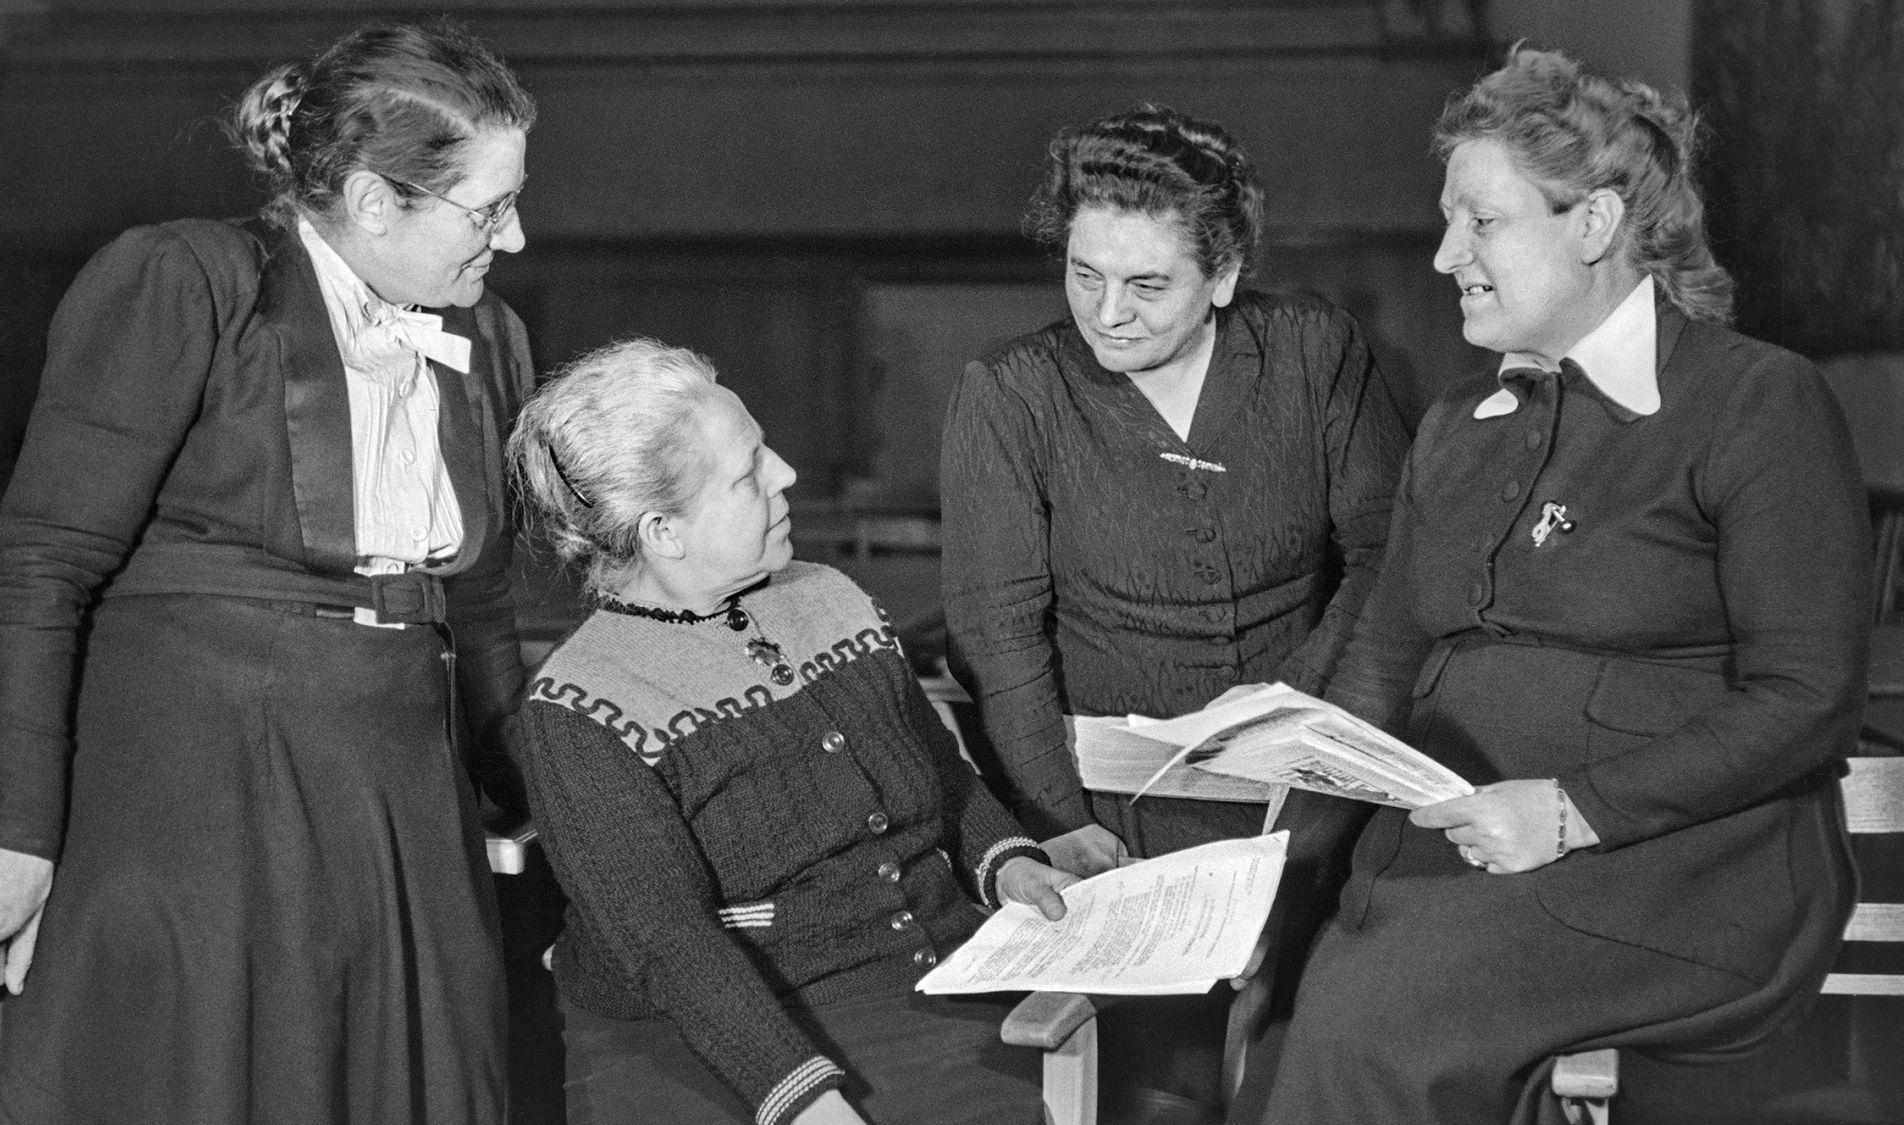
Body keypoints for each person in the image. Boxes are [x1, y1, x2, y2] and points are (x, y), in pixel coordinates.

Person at [0, 20, 537, 1123]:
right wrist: (17, 835)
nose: (517, 236)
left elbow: (480, 607)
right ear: (369, 200)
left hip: (402, 803)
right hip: (205, 804)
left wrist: (532, 798)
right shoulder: (189, 281)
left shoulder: (485, 336)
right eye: (489, 207)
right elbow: (38, 570)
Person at [1261, 47, 1869, 1124]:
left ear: (1590, 227)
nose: (1446, 254)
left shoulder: (1754, 403)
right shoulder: (1457, 424)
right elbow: (1382, 662)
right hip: (1443, 863)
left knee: (1370, 1026)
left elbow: (1805, 699)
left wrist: (1574, 811)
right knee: (1261, 998)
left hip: (1674, 875)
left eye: (1480, 221)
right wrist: (1280, 822)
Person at [940, 104, 1410, 1115]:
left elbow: (1387, 557)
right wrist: (1058, 825)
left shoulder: (1308, 351)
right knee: (1164, 1093)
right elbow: (998, 639)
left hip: (1317, 797)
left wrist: (1289, 715)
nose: (1105, 311)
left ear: (1224, 277)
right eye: (1082, 274)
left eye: (1146, 285)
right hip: (1119, 822)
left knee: (1329, 1068)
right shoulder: (1012, 394)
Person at [507, 338, 1079, 1125]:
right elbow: (670, 947)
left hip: (924, 988)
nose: (785, 474)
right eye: (748, 472)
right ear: (663, 532)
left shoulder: (831, 596)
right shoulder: (578, 708)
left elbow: (942, 777)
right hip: (705, 1040)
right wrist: (806, 1101)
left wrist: (1009, 864)